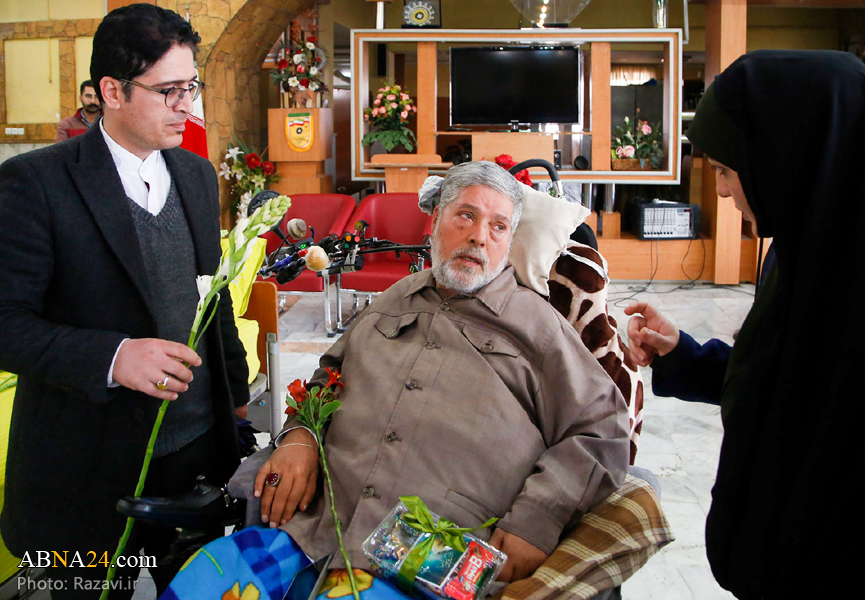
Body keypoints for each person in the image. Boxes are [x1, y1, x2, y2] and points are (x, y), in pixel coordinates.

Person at [164, 161, 631, 599]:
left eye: (498, 226)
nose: (479, 237)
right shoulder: (395, 298)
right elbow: (328, 376)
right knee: (199, 584)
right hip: (312, 527)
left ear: (509, 241)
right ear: (435, 221)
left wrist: (537, 518)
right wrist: (300, 436)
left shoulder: (540, 328)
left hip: (426, 555)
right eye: (465, 216)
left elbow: (602, 428)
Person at [625, 50, 865, 598]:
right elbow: (788, 378)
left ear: (788, 155)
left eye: (728, 171)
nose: (722, 191)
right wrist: (684, 353)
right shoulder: (797, 251)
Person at [0, 4, 249, 597]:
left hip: (195, 453)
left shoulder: (195, 175)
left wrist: (237, 406)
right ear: (112, 90)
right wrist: (114, 357)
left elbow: (211, 301)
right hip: (88, 464)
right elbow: (6, 324)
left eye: (191, 87)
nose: (186, 106)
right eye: (168, 91)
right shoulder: (37, 182)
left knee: (191, 589)